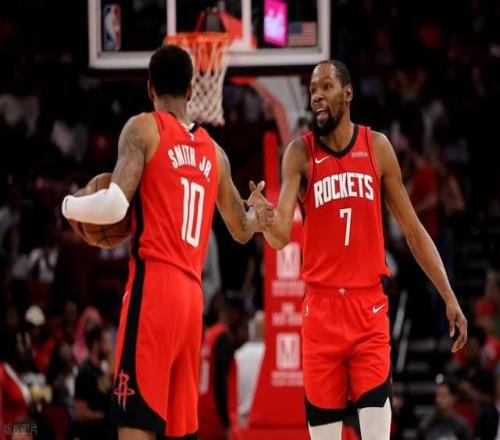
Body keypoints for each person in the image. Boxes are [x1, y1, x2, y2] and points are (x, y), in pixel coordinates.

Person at [61, 45, 273, 440]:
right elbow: (241, 230)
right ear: (192, 90)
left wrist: (68, 205)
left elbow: (113, 204)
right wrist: (257, 219)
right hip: (191, 303)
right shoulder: (216, 154)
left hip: (154, 291)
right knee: (179, 432)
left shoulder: (143, 128)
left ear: (149, 88)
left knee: (135, 427)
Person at [248, 60, 468, 440]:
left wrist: (448, 295)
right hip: (321, 313)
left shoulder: (377, 147)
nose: (317, 95)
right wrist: (265, 220)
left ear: (347, 93)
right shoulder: (299, 154)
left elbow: (414, 231)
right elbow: (281, 237)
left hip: (368, 310)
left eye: (326, 87)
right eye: (312, 90)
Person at [198, 296, 248, 440]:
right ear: (232, 313)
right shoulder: (224, 338)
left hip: (201, 412)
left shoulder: (209, 334)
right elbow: (220, 382)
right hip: (216, 417)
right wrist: (226, 422)